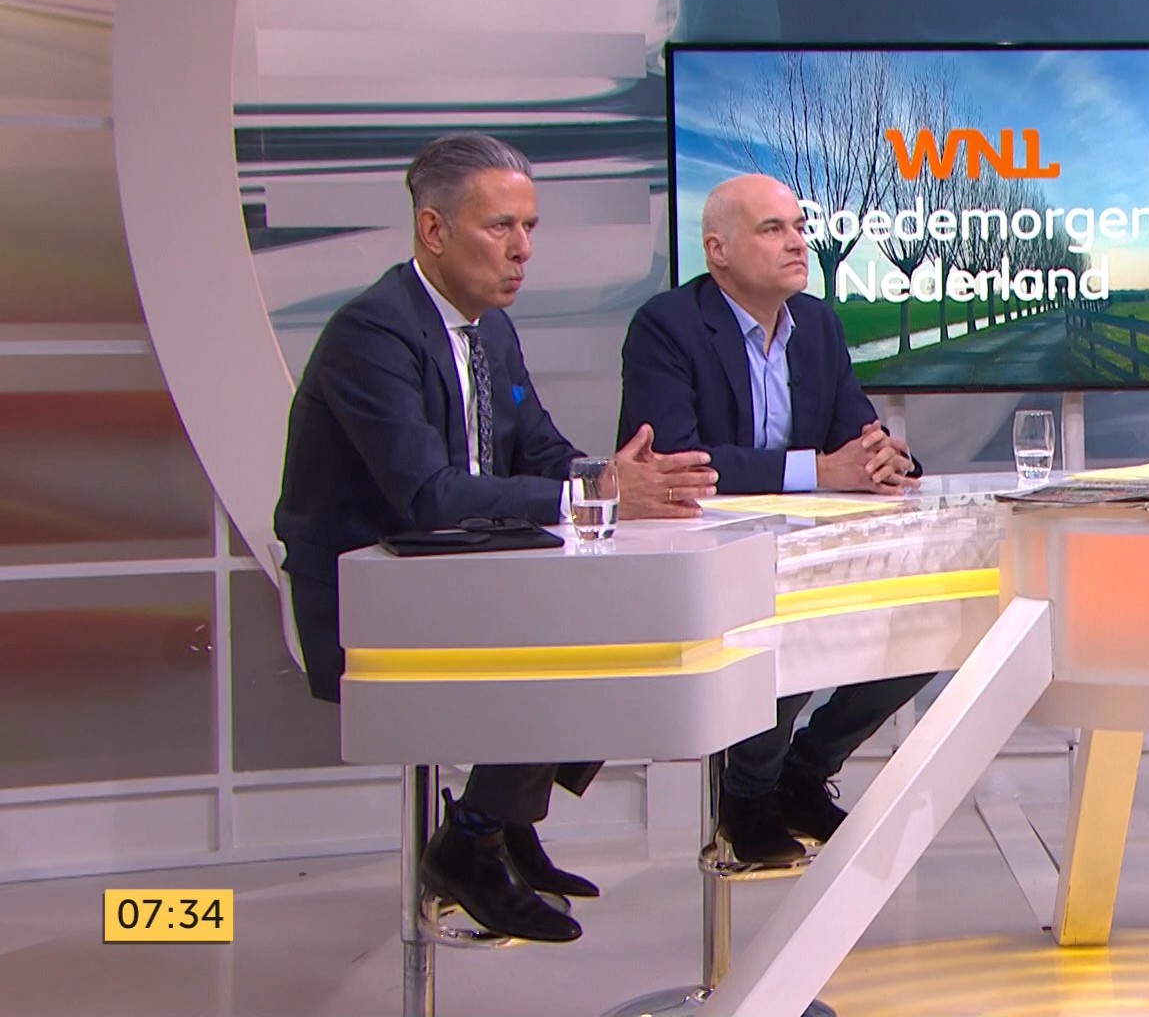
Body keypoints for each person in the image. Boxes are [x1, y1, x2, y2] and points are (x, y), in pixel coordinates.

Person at [275, 133, 718, 943]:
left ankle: (503, 822)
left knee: (629, 621)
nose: (523, 250)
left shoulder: (490, 331)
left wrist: (618, 477)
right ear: (433, 231)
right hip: (373, 602)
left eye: (530, 227)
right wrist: (594, 495)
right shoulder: (373, 334)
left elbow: (539, 451)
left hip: (460, 578)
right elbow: (429, 496)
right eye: (500, 227)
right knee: (579, 635)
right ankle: (471, 842)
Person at [618, 173, 931, 864]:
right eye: (773, 229)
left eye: (799, 227)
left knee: (929, 624)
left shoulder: (817, 324)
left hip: (810, 551)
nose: (797, 243)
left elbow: (856, 436)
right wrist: (819, 470)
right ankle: (749, 796)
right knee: (789, 625)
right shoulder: (667, 326)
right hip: (709, 558)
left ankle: (803, 771)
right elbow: (675, 462)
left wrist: (887, 458)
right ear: (718, 251)